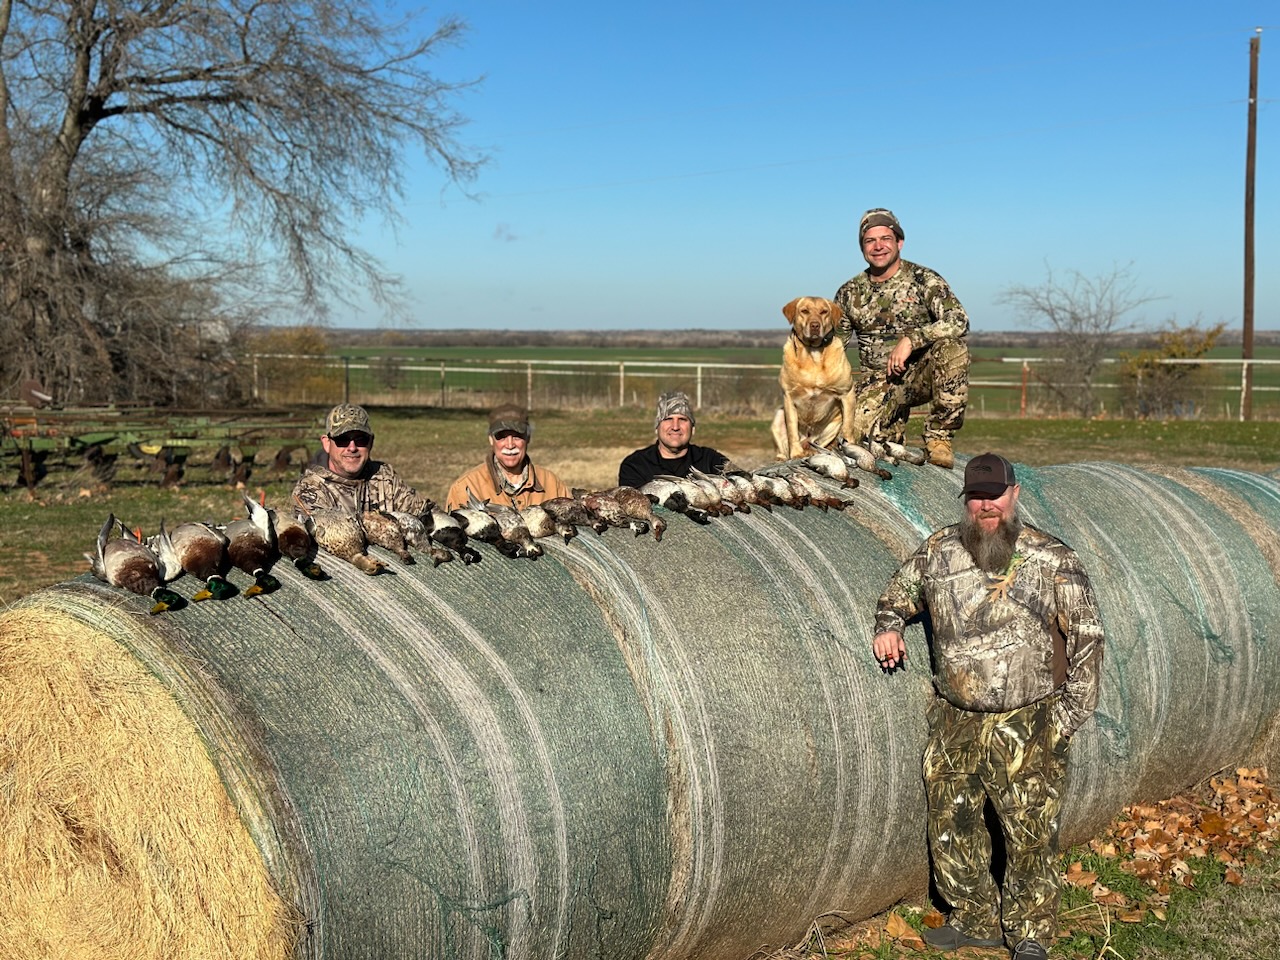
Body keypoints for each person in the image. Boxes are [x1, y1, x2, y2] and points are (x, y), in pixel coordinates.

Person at [872, 453, 1104, 960]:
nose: (986, 506)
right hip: (955, 719)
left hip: (1030, 720)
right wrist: (888, 625)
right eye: (976, 497)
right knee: (951, 824)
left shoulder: (1052, 558)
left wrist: (1064, 721)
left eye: (994, 495)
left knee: (1030, 834)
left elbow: (1088, 640)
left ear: (1014, 494)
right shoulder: (939, 549)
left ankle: (1029, 933)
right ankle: (974, 917)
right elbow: (897, 595)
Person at [833, 208, 970, 469]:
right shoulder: (849, 292)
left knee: (954, 348)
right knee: (850, 446)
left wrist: (911, 341)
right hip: (877, 382)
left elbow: (959, 320)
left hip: (919, 374)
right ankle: (889, 428)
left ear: (899, 242)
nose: (878, 247)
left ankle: (939, 436)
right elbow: (834, 348)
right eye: (869, 241)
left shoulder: (924, 279)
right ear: (862, 247)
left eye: (885, 238)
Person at [293, 403, 433, 516]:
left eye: (361, 439)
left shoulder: (385, 478)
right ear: (327, 443)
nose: (352, 447)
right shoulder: (310, 491)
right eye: (342, 439)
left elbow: (427, 514)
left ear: (371, 442)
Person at [445, 403, 571, 510]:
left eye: (517, 436)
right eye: (502, 436)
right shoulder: (466, 489)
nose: (510, 445)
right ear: (490, 439)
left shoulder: (553, 486)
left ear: (528, 438)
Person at [618, 390, 729, 488]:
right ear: (657, 428)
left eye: (682, 419)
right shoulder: (635, 466)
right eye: (668, 419)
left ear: (693, 428)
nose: (675, 427)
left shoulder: (711, 460)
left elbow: (740, 482)